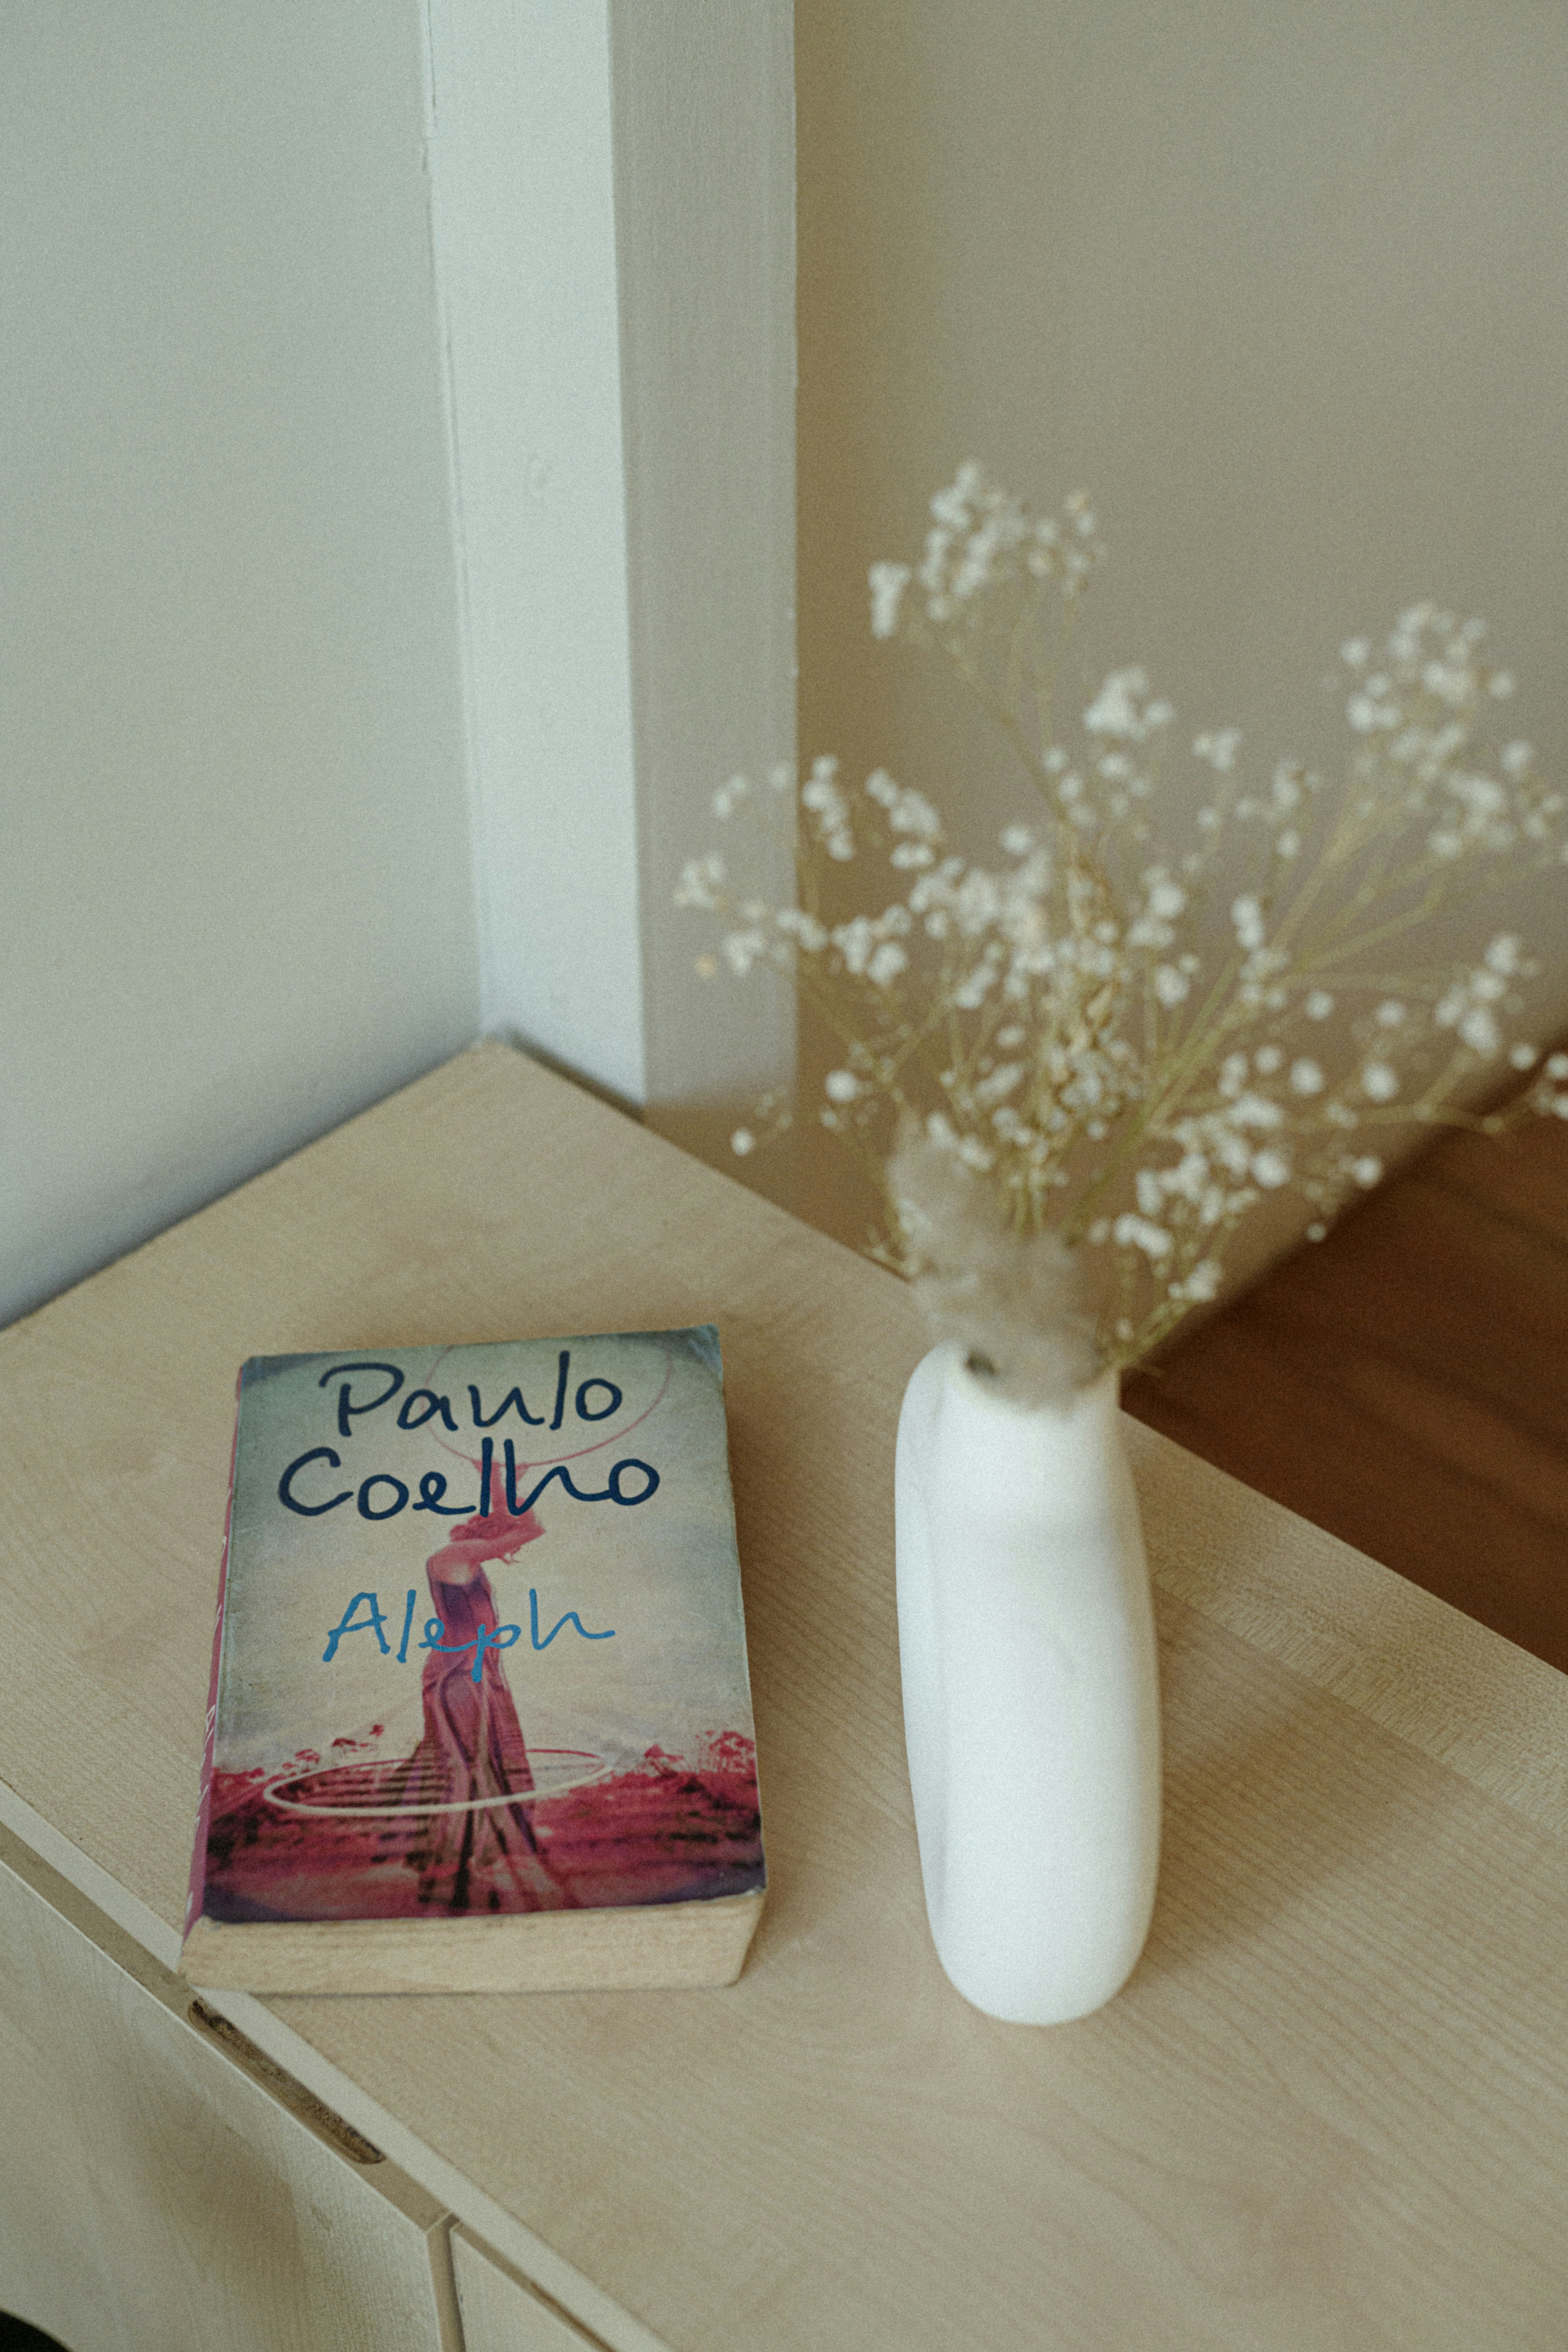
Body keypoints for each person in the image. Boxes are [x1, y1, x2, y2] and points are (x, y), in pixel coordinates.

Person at [399, 1483, 568, 1913]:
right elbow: (530, 1530)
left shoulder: (469, 1564)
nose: (495, 1546)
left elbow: (527, 1528)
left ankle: (486, 1863)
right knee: (465, 1767)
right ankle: (452, 1874)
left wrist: (503, 1488)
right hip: (458, 1678)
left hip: (480, 1676)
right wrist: (497, 1479)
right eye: (490, 1535)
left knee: (497, 1762)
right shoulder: (452, 1558)